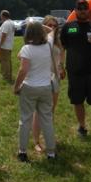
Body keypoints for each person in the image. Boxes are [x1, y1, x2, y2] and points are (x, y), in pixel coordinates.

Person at [60, 0, 91, 139]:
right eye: (79, 8)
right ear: (75, 10)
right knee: (77, 101)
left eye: (85, 8)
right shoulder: (68, 27)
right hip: (74, 72)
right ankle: (82, 127)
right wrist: (60, 66)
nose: (82, 11)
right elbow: (61, 48)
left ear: (88, 10)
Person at [14, 21, 57, 162]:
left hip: (29, 87)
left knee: (25, 119)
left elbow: (23, 70)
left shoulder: (26, 49)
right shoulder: (49, 45)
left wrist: (16, 86)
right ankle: (51, 153)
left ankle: (22, 151)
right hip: (46, 87)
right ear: (41, 32)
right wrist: (38, 24)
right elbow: (51, 30)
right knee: (47, 119)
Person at [32, 15, 65, 152]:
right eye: (49, 25)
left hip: (55, 78)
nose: (52, 28)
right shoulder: (40, 41)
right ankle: (36, 141)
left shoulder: (57, 41)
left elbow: (62, 53)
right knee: (39, 111)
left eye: (54, 25)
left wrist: (62, 66)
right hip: (41, 78)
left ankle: (48, 137)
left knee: (50, 111)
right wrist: (48, 30)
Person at [0, 10, 16, 83]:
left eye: (0, 16)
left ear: (2, 16)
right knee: (7, 61)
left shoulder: (6, 23)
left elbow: (4, 35)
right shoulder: (11, 22)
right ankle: (8, 75)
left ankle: (6, 76)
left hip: (4, 46)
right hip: (8, 45)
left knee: (4, 61)